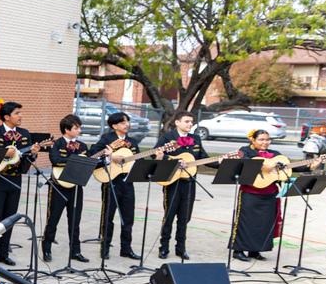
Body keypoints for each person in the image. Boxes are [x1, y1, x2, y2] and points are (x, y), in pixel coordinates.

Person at [231, 130, 320, 261]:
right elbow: (242, 159)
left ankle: (255, 250)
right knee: (246, 221)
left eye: (267, 139)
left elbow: (289, 167)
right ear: (253, 140)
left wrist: (309, 167)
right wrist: (261, 165)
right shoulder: (245, 150)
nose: (265, 142)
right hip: (250, 192)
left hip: (269, 193)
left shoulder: (275, 154)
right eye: (261, 139)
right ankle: (238, 250)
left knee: (265, 223)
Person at [89, 112, 160, 260]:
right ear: (114, 125)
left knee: (128, 217)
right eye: (123, 122)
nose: (127, 124)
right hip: (111, 182)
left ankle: (126, 248)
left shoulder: (133, 142)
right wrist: (110, 157)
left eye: (127, 122)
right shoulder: (106, 138)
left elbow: (138, 160)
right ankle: (105, 248)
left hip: (128, 181)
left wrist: (156, 157)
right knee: (108, 216)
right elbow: (93, 156)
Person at [0, 101, 40, 264]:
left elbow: (26, 158)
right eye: (17, 113)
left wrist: (33, 154)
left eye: (20, 112)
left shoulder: (24, 133)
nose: (20, 116)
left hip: (16, 179)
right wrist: (3, 153)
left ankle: (3, 252)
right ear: (6, 117)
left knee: (10, 218)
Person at [155, 111, 209, 260]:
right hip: (173, 181)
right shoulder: (168, 137)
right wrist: (173, 159)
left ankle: (181, 248)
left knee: (185, 217)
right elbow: (157, 153)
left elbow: (203, 157)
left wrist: (221, 161)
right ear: (177, 122)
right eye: (186, 121)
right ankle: (164, 247)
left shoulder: (196, 138)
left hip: (190, 182)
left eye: (191, 121)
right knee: (169, 215)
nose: (190, 124)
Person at [42, 115, 92, 263]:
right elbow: (55, 160)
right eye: (76, 128)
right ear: (66, 129)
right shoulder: (56, 144)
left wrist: (106, 158)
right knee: (53, 219)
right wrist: (76, 160)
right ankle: (47, 248)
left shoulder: (82, 146)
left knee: (75, 221)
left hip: (76, 187)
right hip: (59, 187)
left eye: (79, 128)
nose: (79, 131)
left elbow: (89, 162)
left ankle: (75, 251)